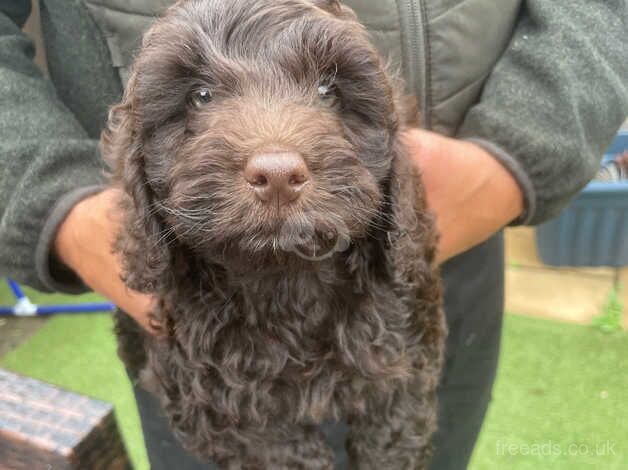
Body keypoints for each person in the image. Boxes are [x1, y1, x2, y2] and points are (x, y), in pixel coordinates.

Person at [1, 1, 626, 469]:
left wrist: (513, 157)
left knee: (410, 443)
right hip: (179, 283)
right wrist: (60, 204)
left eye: (328, 91)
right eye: (198, 94)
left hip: (436, 233)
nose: (275, 156)